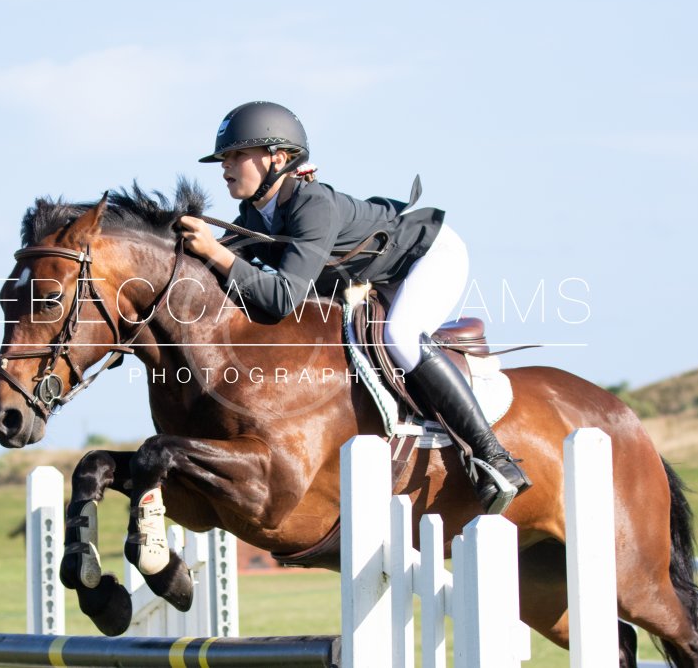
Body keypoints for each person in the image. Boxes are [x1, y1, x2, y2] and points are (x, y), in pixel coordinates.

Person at [178, 101, 532, 513]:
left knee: (399, 336)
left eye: (237, 154)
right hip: (380, 271)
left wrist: (215, 252)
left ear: (278, 157)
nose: (225, 165)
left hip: (429, 255)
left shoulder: (312, 205)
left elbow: (282, 297)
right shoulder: (254, 216)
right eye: (224, 157)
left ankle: (494, 457)